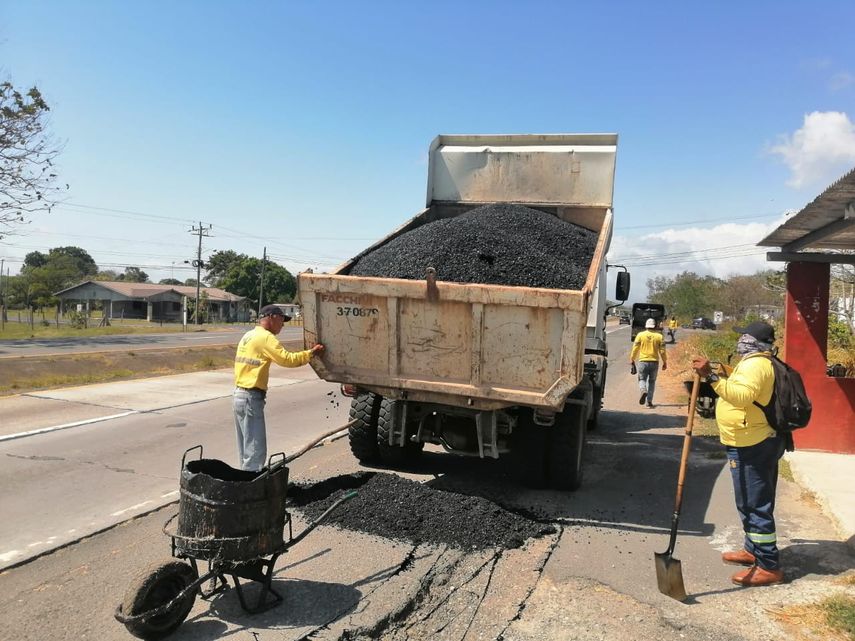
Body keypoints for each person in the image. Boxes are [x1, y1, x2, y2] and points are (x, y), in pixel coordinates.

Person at [691, 320, 784, 587]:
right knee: (748, 499)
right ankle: (752, 549)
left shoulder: (757, 364)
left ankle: (768, 565)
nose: (739, 340)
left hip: (753, 443)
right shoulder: (754, 361)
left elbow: (742, 397)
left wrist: (711, 377)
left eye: (743, 336)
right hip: (747, 439)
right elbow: (748, 389)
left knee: (755, 502)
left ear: (753, 341)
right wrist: (723, 372)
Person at [233, 304, 324, 471]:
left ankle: (244, 482)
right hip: (251, 397)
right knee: (255, 451)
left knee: (246, 449)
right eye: (282, 319)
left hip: (239, 395)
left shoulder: (249, 335)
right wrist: (311, 353)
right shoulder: (266, 337)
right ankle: (251, 491)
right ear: (272, 317)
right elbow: (286, 359)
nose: (283, 324)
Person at [630, 317, 667, 408]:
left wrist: (632, 358)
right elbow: (662, 351)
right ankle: (649, 402)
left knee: (642, 379)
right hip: (654, 362)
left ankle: (643, 390)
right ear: (654, 326)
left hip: (643, 361)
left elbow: (635, 348)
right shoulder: (659, 336)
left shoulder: (640, 335)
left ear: (646, 326)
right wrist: (665, 361)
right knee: (652, 382)